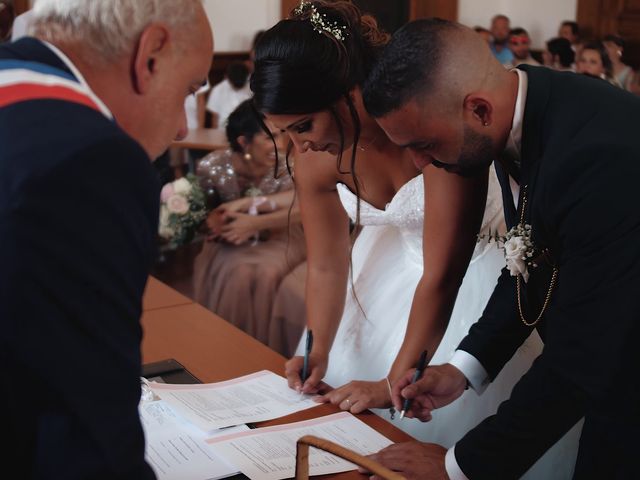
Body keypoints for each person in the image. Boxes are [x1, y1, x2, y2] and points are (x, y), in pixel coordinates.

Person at [251, 0, 545, 452]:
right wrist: (318, 348)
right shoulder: (312, 157)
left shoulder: (424, 127)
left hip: (472, 280)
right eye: (286, 131)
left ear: (346, 93)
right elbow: (328, 265)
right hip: (382, 276)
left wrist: (392, 383)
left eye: (305, 124)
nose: (300, 144)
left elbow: (443, 275)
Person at [362, 18, 639, 479]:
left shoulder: (597, 158)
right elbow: (530, 260)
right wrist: (462, 370)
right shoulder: (525, 110)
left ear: (479, 110)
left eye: (425, 144)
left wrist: (456, 465)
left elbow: (582, 353)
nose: (420, 164)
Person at [0, 0, 213, 477]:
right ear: (151, 54)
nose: (182, 126)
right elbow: (83, 437)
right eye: (187, 89)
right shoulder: (89, 160)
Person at [193, 99, 305, 347]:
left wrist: (254, 223)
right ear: (244, 142)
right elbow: (201, 215)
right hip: (233, 242)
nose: (281, 144)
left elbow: (305, 207)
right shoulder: (213, 166)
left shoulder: (289, 164)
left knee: (267, 272)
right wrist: (216, 224)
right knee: (239, 273)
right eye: (270, 137)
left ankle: (266, 349)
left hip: (282, 234)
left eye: (281, 134)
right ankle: (228, 346)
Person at [205, 60, 251, 129]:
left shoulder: (253, 88)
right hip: (222, 131)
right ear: (226, 77)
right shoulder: (218, 90)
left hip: (247, 131)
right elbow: (214, 119)